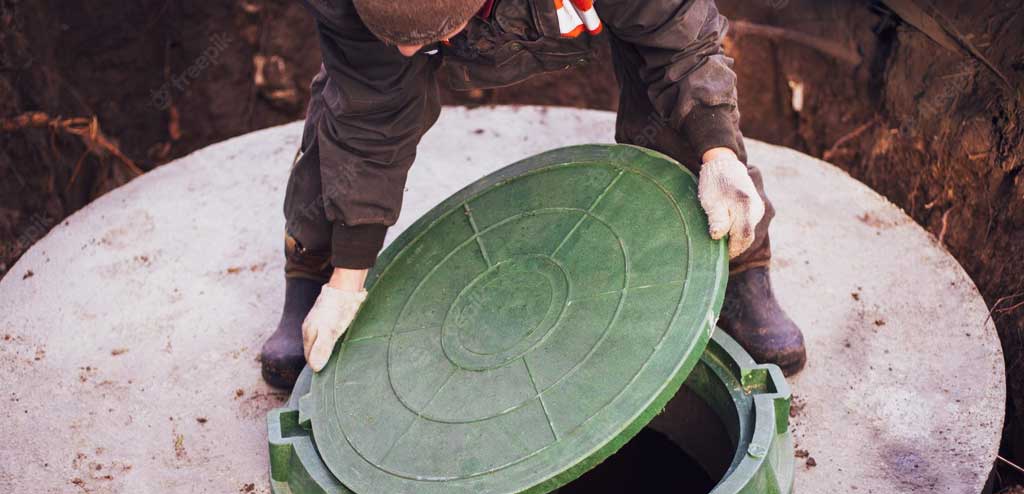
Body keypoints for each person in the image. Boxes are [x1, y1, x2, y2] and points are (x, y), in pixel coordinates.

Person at [260, 0, 806, 389]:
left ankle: (739, 265)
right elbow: (371, 124)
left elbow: (682, 46)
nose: (404, 50)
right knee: (347, 111)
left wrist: (719, 154)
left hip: (556, 15)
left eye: (417, 36)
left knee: (668, 93)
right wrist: (348, 280)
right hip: (464, 25)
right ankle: (314, 266)